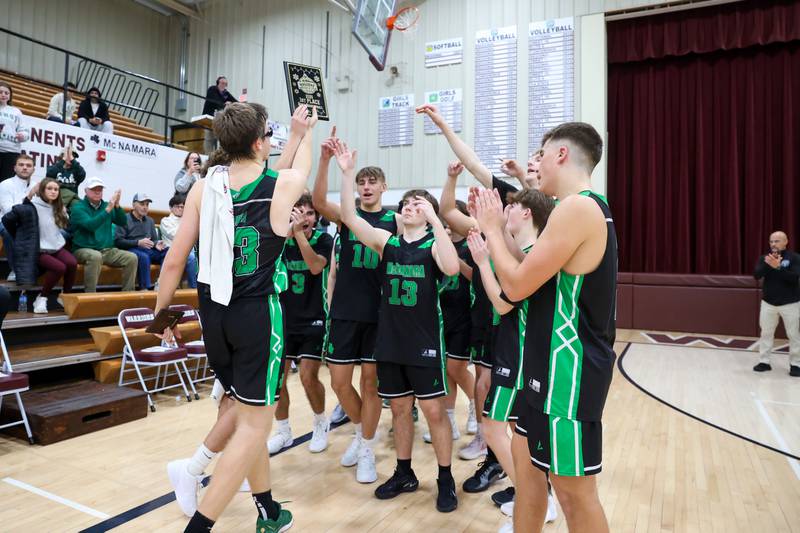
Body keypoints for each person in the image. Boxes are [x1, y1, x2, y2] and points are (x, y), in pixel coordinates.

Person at [155, 101, 316, 533]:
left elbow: (172, 263)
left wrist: (160, 318)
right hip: (256, 315)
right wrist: (305, 131)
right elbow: (297, 168)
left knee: (248, 414)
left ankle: (268, 511)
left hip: (214, 317)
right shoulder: (281, 186)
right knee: (254, 426)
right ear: (261, 142)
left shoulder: (203, 187)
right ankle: (199, 527)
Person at [473, 122, 616, 533]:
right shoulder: (569, 210)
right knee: (530, 477)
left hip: (569, 374)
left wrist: (494, 229)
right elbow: (527, 270)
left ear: (561, 155)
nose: (536, 163)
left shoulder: (580, 207)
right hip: (542, 368)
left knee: (574, 494)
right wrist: (499, 233)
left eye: (542, 152)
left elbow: (515, 286)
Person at [334, 138, 461, 512]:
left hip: (424, 343)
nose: (408, 208)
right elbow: (349, 217)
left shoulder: (433, 247)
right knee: (401, 410)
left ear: (428, 215)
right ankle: (404, 472)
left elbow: (452, 267)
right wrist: (344, 174)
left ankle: (444, 477)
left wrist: (437, 219)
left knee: (434, 412)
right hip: (389, 343)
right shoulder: (387, 243)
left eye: (417, 205)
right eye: (405, 204)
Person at [312, 127, 402, 485]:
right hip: (345, 311)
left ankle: (366, 446)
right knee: (338, 383)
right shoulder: (347, 218)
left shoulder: (394, 221)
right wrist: (325, 161)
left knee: (370, 384)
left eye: (372, 182)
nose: (365, 186)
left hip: (379, 314)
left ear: (383, 187)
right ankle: (365, 431)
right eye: (361, 181)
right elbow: (318, 201)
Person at [466, 188, 557, 528]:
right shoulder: (530, 251)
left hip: (519, 355)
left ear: (528, 214)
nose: (507, 209)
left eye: (513, 205)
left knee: (493, 428)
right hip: (515, 350)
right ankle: (536, 500)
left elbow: (503, 303)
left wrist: (481, 264)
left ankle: (536, 500)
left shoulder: (533, 255)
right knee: (515, 436)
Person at [267, 194, 334, 454]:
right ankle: (283, 430)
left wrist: (300, 236)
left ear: (316, 217)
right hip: (284, 318)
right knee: (277, 379)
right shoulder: (280, 242)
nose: (304, 218)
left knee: (307, 376)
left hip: (314, 317)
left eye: (309, 213)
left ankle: (320, 422)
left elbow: (316, 267)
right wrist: (287, 235)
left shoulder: (324, 239)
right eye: (299, 213)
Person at [422, 195, 477, 445]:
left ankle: (477, 404)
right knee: (446, 372)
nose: (448, 222)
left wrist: (456, 262)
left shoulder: (470, 244)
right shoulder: (436, 244)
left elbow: (476, 276)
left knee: (456, 368)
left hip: (465, 314)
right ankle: (450, 420)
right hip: (442, 314)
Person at [1, 178, 76, 313]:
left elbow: (65, 226)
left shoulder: (58, 207)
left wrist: (64, 213)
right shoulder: (32, 205)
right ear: (42, 190)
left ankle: (65, 296)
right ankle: (42, 298)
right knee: (60, 268)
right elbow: (7, 220)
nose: (53, 192)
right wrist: (19, 237)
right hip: (38, 250)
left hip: (55, 246)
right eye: (49, 188)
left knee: (72, 263)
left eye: (56, 189)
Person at [69, 177, 137, 292]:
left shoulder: (107, 206)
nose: (97, 191)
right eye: (94, 189)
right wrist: (108, 210)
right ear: (86, 191)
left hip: (106, 250)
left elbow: (122, 222)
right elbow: (91, 225)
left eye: (100, 189)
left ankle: (128, 294)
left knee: (132, 257)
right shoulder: (78, 207)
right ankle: (90, 296)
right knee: (95, 256)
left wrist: (117, 205)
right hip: (82, 249)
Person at [753, 231, 800, 376]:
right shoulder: (764, 258)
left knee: (793, 334)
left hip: (790, 303)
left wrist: (778, 267)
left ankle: (795, 364)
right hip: (769, 304)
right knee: (766, 333)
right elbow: (757, 275)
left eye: (777, 241)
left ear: (786, 242)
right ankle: (764, 361)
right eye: (771, 241)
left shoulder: (794, 257)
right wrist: (769, 264)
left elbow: (794, 278)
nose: (773, 244)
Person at [115, 193, 166, 290]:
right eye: (142, 204)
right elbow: (118, 241)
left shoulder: (150, 220)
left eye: (147, 205)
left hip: (148, 249)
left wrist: (156, 244)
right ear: (134, 205)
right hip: (132, 248)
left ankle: (161, 283)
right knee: (143, 257)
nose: (145, 207)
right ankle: (144, 288)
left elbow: (154, 239)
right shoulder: (124, 218)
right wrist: (138, 242)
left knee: (168, 252)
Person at [0, 154, 38, 281]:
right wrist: (28, 201)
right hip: (7, 221)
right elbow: (8, 210)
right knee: (7, 231)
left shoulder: (37, 185)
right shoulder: (5, 184)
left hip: (30, 221)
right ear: (14, 168)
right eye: (21, 165)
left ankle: (37, 269)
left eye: (28, 165)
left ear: (33, 169)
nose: (25, 168)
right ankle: (16, 269)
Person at [159, 194, 197, 289]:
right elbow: (176, 235)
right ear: (171, 208)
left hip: (188, 250)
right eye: (177, 206)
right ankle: (194, 287)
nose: (180, 209)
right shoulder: (166, 221)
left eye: (183, 207)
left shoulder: (187, 220)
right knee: (192, 257)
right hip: (172, 250)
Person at [0, 82, 31, 182]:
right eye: (1, 92)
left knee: (7, 181)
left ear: (10, 96)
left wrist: (23, 136)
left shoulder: (16, 112)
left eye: (6, 93)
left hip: (12, 152)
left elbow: (25, 131)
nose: (3, 95)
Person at [201, 77, 237, 153]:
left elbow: (236, 102)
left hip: (219, 119)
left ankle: (220, 156)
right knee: (209, 137)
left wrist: (231, 104)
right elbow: (214, 101)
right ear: (217, 83)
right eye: (222, 83)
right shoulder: (212, 89)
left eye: (225, 84)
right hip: (209, 117)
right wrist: (225, 104)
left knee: (221, 138)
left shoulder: (226, 93)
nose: (224, 85)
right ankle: (208, 156)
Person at [46, 143, 85, 209]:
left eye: (73, 156)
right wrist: (63, 160)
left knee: (79, 206)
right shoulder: (54, 168)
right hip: (55, 199)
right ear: (62, 157)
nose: (71, 157)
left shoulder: (76, 170)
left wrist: (73, 160)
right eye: (69, 155)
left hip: (71, 202)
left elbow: (82, 175)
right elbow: (49, 175)